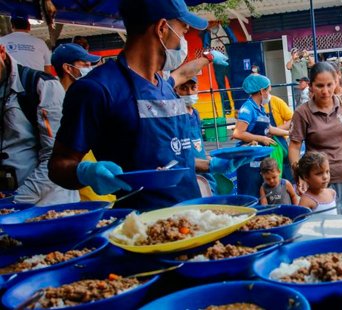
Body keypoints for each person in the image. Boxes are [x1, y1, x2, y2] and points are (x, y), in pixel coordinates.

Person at [49, 0, 250, 211]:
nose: (185, 35)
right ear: (162, 28)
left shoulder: (164, 85)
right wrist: (86, 172)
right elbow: (58, 166)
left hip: (192, 218)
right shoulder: (97, 89)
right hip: (143, 232)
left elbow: (167, 160)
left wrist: (210, 165)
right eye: (183, 28)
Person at [0, 44, 79, 205]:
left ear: (2, 51)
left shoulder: (42, 85)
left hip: (49, 204)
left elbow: (55, 157)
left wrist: (15, 202)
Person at [289, 62, 342, 215]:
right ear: (311, 86)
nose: (325, 91)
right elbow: (294, 146)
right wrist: (300, 175)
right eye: (319, 86)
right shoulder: (302, 113)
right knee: (325, 228)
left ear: (336, 82)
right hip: (318, 185)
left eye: (330, 85)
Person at [51, 43, 113, 202]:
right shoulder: (56, 102)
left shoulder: (92, 97)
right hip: (75, 184)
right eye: (85, 64)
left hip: (99, 182)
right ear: (68, 68)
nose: (90, 67)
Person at [232, 74, 289, 197]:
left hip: (260, 159)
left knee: (262, 194)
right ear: (262, 91)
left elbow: (269, 129)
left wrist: (289, 133)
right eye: (268, 91)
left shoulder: (260, 108)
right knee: (250, 196)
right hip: (249, 161)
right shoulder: (247, 108)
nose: (269, 94)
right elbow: (238, 133)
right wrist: (261, 139)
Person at [174, 76, 217, 195]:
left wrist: (209, 160)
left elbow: (199, 145)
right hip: (189, 173)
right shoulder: (175, 117)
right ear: (175, 89)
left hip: (204, 171)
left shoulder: (195, 114)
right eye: (184, 88)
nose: (189, 92)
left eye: (193, 88)